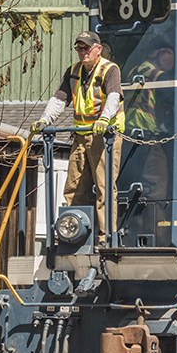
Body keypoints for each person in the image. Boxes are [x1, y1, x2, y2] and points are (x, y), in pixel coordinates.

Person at [32, 31, 125, 239]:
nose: (82, 52)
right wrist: (44, 120)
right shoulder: (74, 71)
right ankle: (76, 234)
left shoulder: (109, 69)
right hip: (81, 135)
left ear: (98, 49)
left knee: (104, 187)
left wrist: (104, 120)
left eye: (87, 48)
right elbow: (59, 99)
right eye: (79, 48)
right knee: (73, 186)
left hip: (105, 137)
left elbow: (113, 96)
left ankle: (105, 237)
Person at [124, 41, 175, 198]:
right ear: (162, 55)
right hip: (147, 134)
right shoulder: (156, 74)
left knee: (134, 183)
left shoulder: (133, 70)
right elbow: (173, 97)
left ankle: (135, 222)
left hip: (127, 133)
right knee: (157, 183)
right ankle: (156, 220)